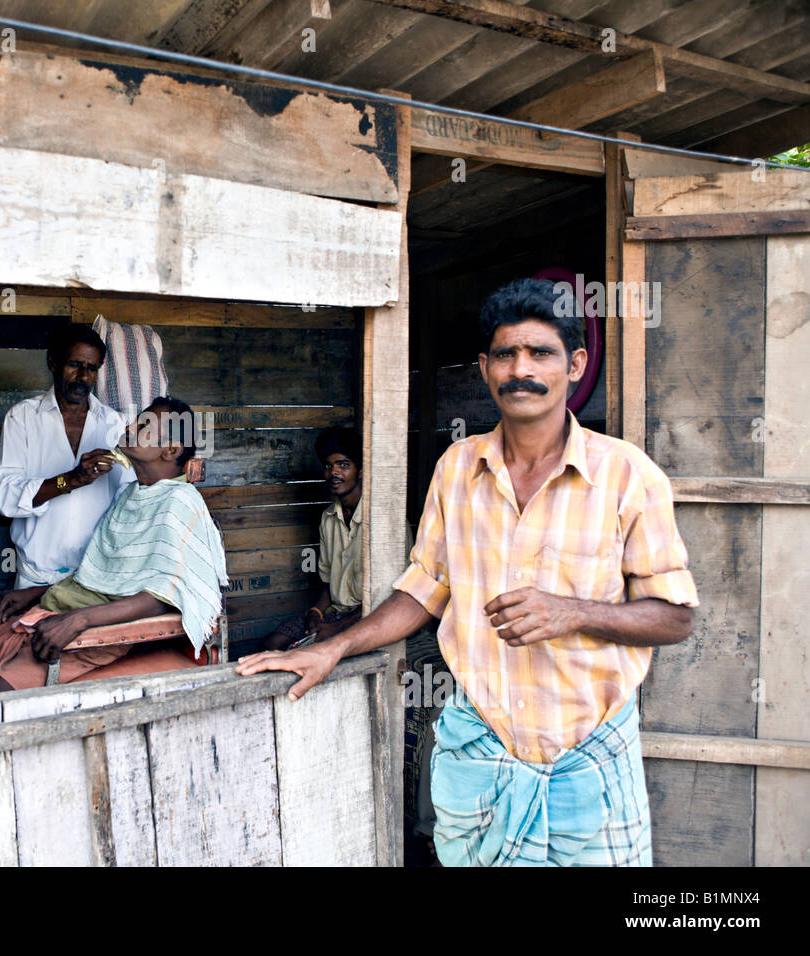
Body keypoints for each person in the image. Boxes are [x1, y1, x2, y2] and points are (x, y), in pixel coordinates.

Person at [238, 277, 698, 867]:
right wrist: (334, 648)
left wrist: (572, 612)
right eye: (505, 354)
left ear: (576, 364)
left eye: (541, 353)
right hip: (480, 752)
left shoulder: (628, 476)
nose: (520, 370)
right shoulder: (457, 468)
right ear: (484, 367)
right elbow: (424, 589)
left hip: (589, 755)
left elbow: (675, 617)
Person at [0, 397, 227, 696]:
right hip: (58, 608)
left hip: (91, 633)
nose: (132, 426)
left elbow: (162, 595)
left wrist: (78, 620)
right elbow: (98, 576)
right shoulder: (132, 495)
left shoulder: (179, 502)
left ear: (170, 450)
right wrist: (31, 595)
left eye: (145, 425)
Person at [0, 324, 134, 592]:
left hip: (97, 579)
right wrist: (72, 479)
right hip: (36, 578)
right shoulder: (22, 418)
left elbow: (129, 498)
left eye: (92, 368)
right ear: (53, 363)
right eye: (74, 365)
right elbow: (4, 495)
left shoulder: (114, 423)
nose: (83, 376)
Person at [263, 426, 364, 650]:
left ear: (361, 470)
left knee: (307, 654)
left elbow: (388, 600)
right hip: (334, 614)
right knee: (273, 643)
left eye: (344, 465)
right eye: (329, 466)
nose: (334, 473)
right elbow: (327, 584)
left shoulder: (382, 523)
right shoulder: (328, 518)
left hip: (366, 619)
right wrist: (316, 615)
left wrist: (336, 629)